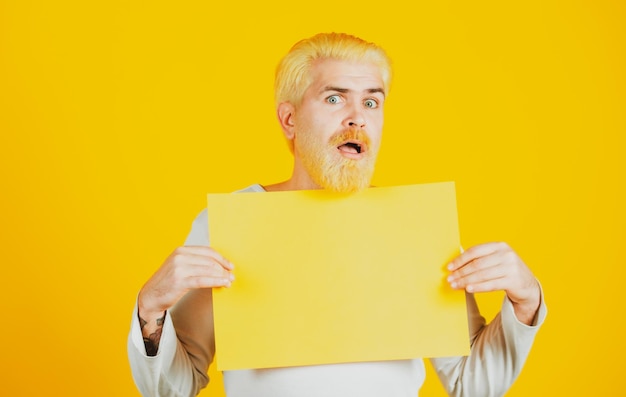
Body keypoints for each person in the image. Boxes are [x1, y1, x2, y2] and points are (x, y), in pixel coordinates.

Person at [127, 32, 546, 397]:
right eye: (334, 98)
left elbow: (472, 383)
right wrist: (151, 311)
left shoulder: (413, 226)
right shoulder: (233, 222)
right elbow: (172, 388)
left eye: (371, 102)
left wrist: (525, 299)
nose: (357, 118)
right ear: (289, 119)